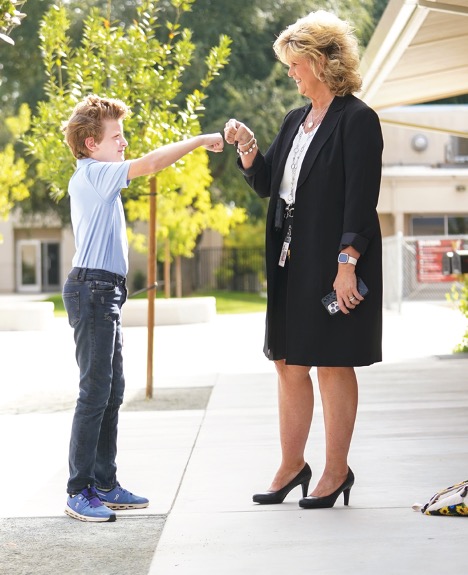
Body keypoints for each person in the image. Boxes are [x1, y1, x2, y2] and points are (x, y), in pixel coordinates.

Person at [224, 10, 383, 509]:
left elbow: (361, 198)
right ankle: (292, 465)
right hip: (291, 260)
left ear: (319, 61)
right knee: (290, 363)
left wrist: (347, 262)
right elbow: (271, 182)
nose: (289, 72)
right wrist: (249, 150)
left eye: (295, 63)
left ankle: (337, 470)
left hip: (335, 259)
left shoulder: (357, 120)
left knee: (333, 363)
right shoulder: (296, 120)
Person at [62, 94, 223, 522]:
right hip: (92, 289)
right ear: (90, 143)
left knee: (111, 391)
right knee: (94, 392)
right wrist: (200, 139)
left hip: (106, 290)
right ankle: (78, 490)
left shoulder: (100, 174)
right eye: (116, 136)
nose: (124, 142)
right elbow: (151, 164)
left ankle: (105, 483)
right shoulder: (94, 174)